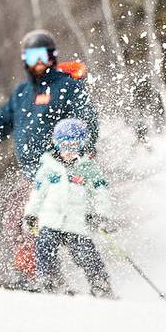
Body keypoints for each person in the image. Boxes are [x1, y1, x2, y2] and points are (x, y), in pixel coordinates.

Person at [0, 29, 98, 286]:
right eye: (32, 57)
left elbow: (87, 119)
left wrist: (83, 149)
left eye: (42, 56)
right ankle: (39, 277)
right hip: (32, 174)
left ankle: (89, 279)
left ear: (52, 57)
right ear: (24, 59)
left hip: (60, 172)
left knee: (64, 226)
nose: (37, 63)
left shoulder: (66, 86)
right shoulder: (22, 94)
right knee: (18, 219)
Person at [23, 118, 115, 297]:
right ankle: (50, 280)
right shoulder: (48, 168)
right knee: (45, 245)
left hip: (76, 221)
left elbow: (101, 193)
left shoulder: (88, 168)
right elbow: (37, 194)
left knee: (85, 252)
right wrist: (31, 214)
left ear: (82, 145)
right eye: (64, 145)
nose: (69, 150)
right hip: (51, 220)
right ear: (56, 145)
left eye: (74, 145)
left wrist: (101, 215)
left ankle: (100, 283)